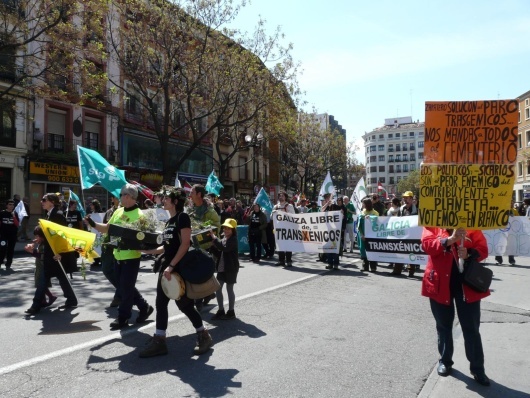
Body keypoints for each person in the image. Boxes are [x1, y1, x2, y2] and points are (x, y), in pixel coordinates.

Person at [138, 186, 213, 357]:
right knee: (160, 303)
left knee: (185, 305)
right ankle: (160, 340)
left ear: (175, 201)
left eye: (166, 198)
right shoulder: (168, 222)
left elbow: (185, 244)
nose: (163, 200)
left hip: (178, 269)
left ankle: (204, 335)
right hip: (167, 267)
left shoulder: (182, 217)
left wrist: (171, 266)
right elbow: (166, 247)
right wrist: (147, 252)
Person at [421, 227, 491, 387]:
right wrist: (449, 240)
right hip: (439, 284)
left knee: (471, 328)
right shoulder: (431, 224)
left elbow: (483, 250)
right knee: (443, 326)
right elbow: (427, 246)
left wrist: (469, 253)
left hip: (467, 285)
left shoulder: (472, 227)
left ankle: (477, 369)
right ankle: (445, 361)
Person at [85, 184, 153, 329]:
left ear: (128, 196)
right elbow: (107, 229)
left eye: (121, 195)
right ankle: (144, 307)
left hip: (131, 257)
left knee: (126, 289)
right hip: (117, 256)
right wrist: (92, 223)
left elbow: (144, 239)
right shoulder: (118, 211)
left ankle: (123, 317)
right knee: (124, 287)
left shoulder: (140, 216)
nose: (119, 197)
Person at [25, 193, 78, 314]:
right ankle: (71, 300)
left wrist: (60, 253)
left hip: (57, 254)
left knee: (44, 279)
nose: (41, 202)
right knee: (61, 277)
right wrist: (40, 239)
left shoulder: (58, 215)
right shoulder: (49, 214)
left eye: (44, 200)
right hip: (52, 253)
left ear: (52, 202)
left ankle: (36, 305)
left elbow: (63, 235)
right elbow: (50, 235)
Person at [188, 184, 221, 310]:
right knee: (194, 271)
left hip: (205, 246)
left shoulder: (210, 211)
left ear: (199, 195)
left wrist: (204, 231)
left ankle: (198, 300)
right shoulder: (190, 209)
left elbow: (216, 226)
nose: (190, 194)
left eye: (192, 192)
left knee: (200, 271)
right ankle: (208, 293)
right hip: (191, 245)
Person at [210, 218, 240, 320]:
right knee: (218, 288)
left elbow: (225, 248)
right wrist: (213, 247)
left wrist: (214, 239)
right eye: (225, 228)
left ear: (233, 230)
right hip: (222, 267)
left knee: (229, 289)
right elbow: (220, 253)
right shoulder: (223, 239)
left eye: (229, 229)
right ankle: (221, 310)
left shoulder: (233, 240)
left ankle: (231, 311)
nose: (226, 230)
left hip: (231, 268)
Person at [25, 226, 57, 307]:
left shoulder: (45, 245)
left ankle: (50, 297)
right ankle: (43, 301)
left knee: (40, 284)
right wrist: (36, 242)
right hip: (39, 266)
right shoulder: (42, 243)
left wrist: (32, 252)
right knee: (40, 284)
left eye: (38, 236)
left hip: (43, 267)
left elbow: (42, 256)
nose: (36, 238)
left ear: (43, 236)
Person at [390, 191, 419, 277]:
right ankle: (397, 270)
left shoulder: (416, 210)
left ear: (411, 198)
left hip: (412, 234)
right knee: (399, 250)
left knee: (411, 251)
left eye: (407, 198)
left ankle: (411, 270)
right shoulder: (402, 209)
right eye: (404, 198)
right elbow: (397, 220)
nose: (405, 200)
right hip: (402, 234)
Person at [101, 195, 121, 307]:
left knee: (119, 272)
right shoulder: (109, 212)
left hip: (119, 245)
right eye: (116, 197)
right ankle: (123, 291)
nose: (118, 199)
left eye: (119, 197)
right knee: (106, 269)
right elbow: (105, 227)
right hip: (108, 245)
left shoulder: (123, 211)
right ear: (112, 199)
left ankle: (119, 296)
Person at [272, 191, 295, 267]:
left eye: (282, 196)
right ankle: (281, 260)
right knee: (280, 245)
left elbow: (293, 216)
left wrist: (285, 213)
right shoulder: (275, 206)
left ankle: (289, 261)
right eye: (280, 196)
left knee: (288, 245)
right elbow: (271, 218)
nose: (281, 197)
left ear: (285, 197)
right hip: (278, 228)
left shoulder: (289, 206)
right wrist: (274, 213)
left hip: (287, 228)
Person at [357, 197, 379, 272]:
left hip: (371, 235)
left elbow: (378, 222)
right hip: (363, 235)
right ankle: (365, 266)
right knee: (363, 249)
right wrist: (362, 234)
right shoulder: (362, 212)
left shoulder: (375, 212)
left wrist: (371, 218)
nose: (362, 204)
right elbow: (359, 224)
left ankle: (373, 266)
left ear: (367, 204)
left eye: (363, 203)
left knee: (371, 249)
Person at [495, 199, 516, 266]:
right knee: (500, 244)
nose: (512, 204)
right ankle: (499, 259)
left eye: (513, 203)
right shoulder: (501, 209)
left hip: (511, 231)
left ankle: (511, 259)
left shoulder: (514, 211)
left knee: (510, 244)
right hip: (501, 231)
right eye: (511, 203)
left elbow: (518, 219)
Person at [0, 200, 19, 270]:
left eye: (13, 205)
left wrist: (13, 216)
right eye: (10, 204)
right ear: (7, 205)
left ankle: (8, 263)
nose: (11, 206)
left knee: (11, 249)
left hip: (12, 235)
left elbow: (17, 224)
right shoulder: (2, 213)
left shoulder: (15, 213)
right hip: (3, 235)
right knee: (2, 248)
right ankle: (1, 260)